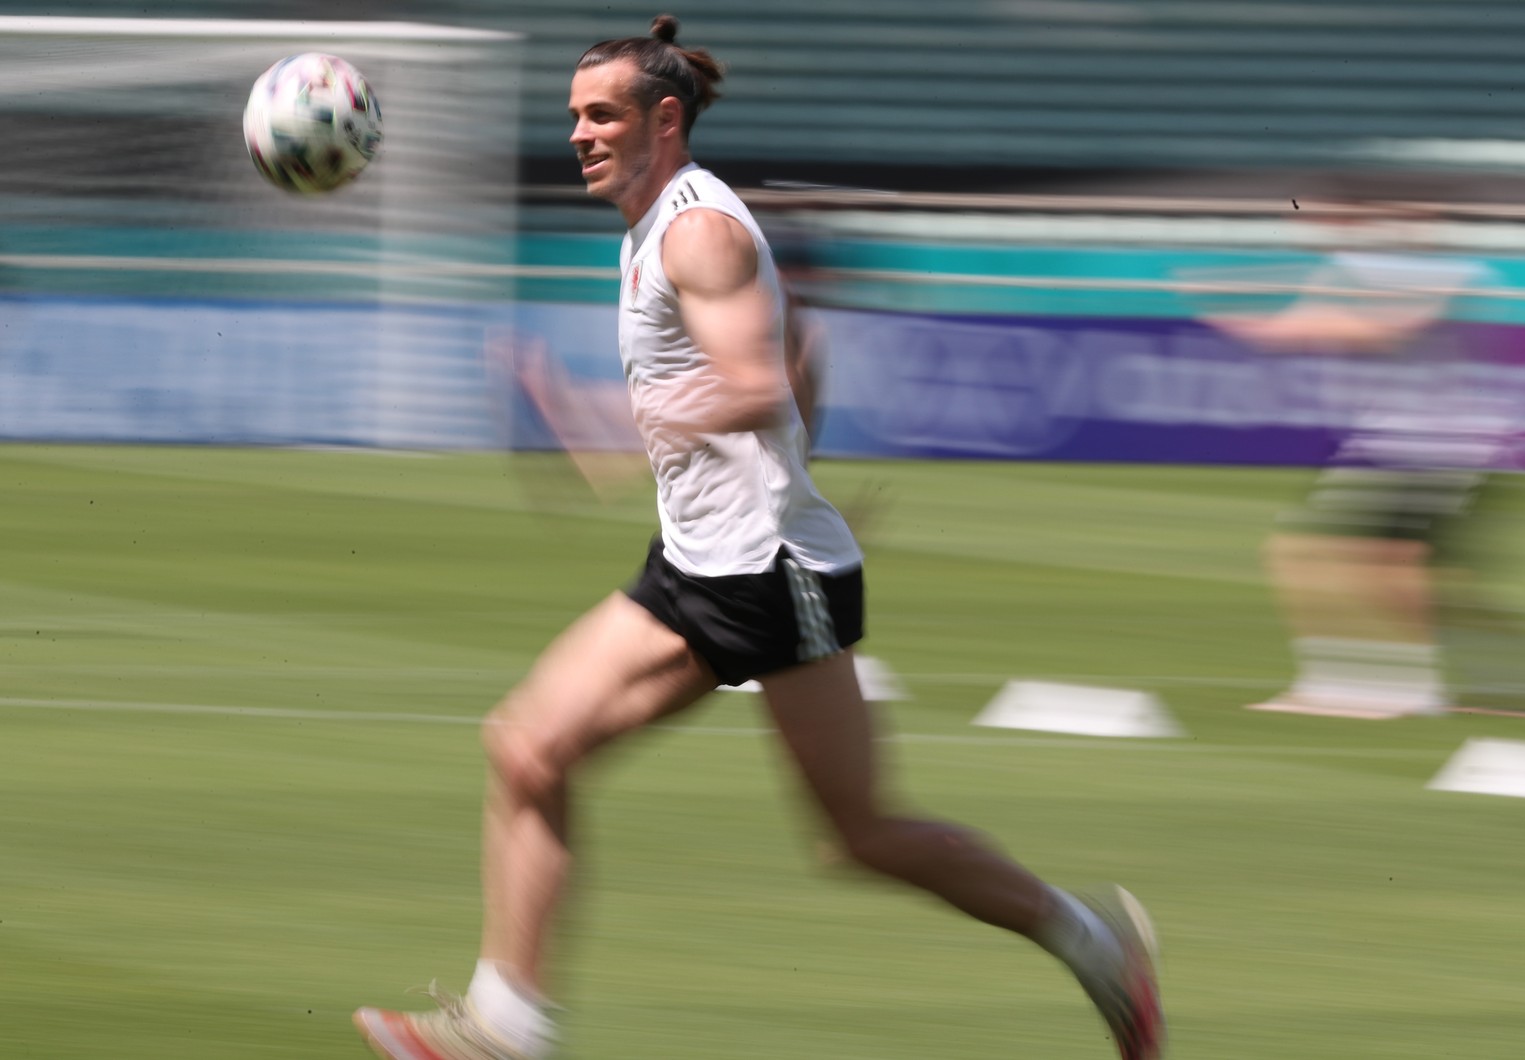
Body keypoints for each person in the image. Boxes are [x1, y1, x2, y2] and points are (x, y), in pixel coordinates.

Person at [353, 16, 1163, 1060]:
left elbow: (756, 378)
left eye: (602, 115)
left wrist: (618, 420)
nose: (580, 134)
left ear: (666, 118)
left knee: (861, 835)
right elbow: (802, 348)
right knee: (526, 748)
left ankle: (1096, 942)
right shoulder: (657, 225)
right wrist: (780, 467)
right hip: (699, 565)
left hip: (774, 580)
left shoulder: (699, 232)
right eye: (573, 117)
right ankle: (507, 1029)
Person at [1205, 189, 1508, 717]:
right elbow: (1299, 329)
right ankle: (1411, 684)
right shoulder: (1354, 267)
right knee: (1388, 567)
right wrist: (1253, 322)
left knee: (1314, 555)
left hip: (1432, 443)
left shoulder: (1446, 271)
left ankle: (1346, 682)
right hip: (1401, 440)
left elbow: (1381, 331)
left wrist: (1250, 318)